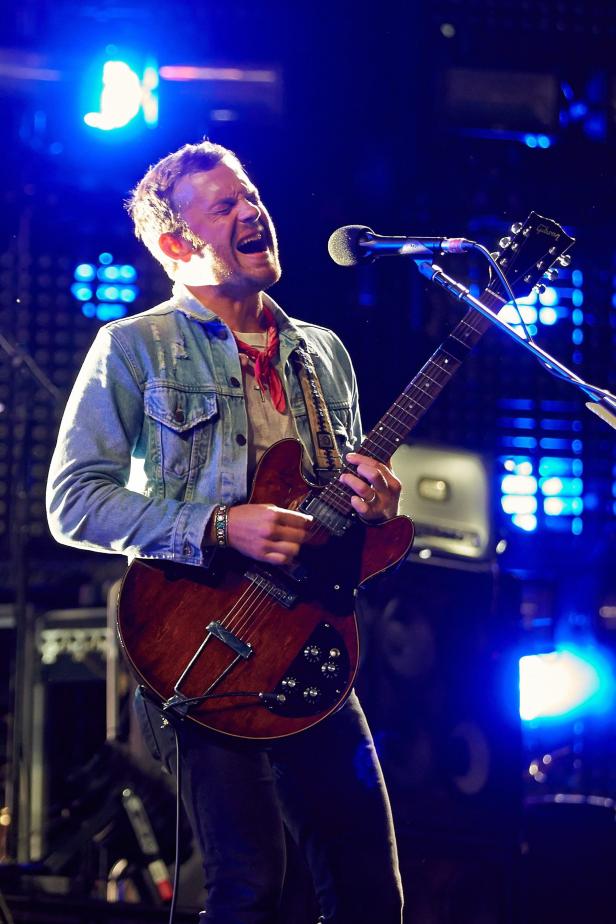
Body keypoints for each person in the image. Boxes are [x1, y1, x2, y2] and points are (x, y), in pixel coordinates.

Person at [46, 140, 404, 923]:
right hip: (200, 641)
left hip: (309, 637)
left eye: (253, 195)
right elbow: (73, 501)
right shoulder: (133, 347)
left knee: (371, 891)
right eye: (226, 206)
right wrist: (216, 525)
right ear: (177, 245)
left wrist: (373, 508)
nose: (253, 212)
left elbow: (333, 506)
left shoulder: (323, 354)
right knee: (249, 883)